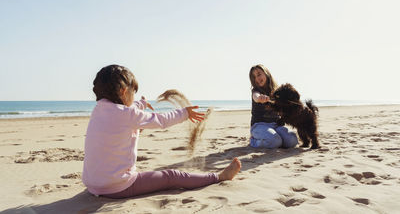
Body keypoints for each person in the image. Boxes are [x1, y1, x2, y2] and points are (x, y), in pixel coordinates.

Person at [82, 64, 241, 199]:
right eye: (133, 92)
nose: (134, 96)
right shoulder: (126, 115)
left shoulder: (98, 110)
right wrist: (184, 113)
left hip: (93, 185)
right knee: (171, 176)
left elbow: (127, 109)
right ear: (124, 91)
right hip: (117, 187)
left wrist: (141, 103)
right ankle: (218, 177)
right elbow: (161, 120)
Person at [249, 64, 298, 149]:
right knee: (275, 141)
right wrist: (260, 98)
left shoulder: (276, 91)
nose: (256, 79)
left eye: (259, 74)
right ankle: (253, 140)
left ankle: (276, 140)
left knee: (292, 141)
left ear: (266, 73)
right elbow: (255, 97)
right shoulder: (256, 91)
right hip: (259, 125)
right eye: (254, 77)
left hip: (276, 126)